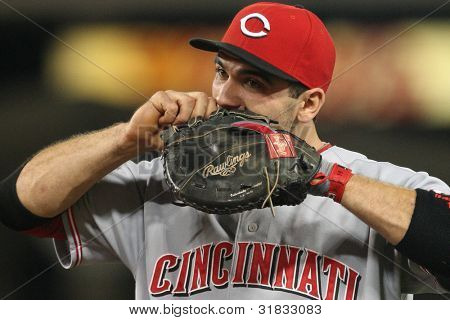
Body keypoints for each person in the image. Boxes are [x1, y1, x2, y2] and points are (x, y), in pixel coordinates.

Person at [0, 2, 449, 299]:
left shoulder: (382, 185)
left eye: (254, 82)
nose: (227, 96)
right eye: (221, 72)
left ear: (309, 102)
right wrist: (124, 139)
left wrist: (325, 178)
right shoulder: (166, 176)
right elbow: (20, 206)